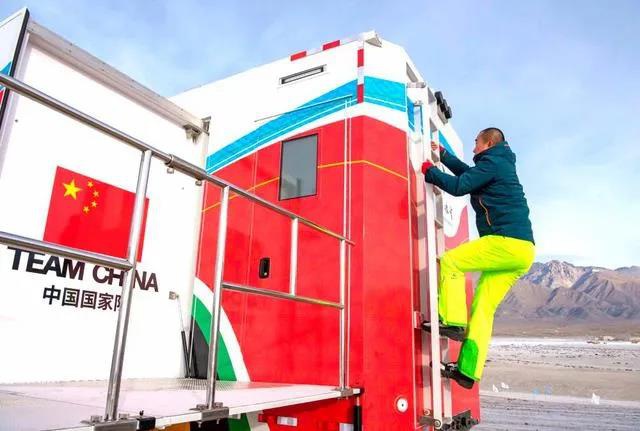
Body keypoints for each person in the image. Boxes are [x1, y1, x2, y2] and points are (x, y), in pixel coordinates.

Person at [420, 127, 535, 389]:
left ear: (488, 143)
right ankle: (467, 371)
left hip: (506, 242)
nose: (473, 148)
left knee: (451, 261)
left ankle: (452, 321)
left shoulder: (493, 163)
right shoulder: (498, 164)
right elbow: (468, 175)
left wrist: (429, 171)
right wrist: (445, 156)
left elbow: (460, 186)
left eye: (476, 143)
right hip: (523, 251)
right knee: (483, 310)